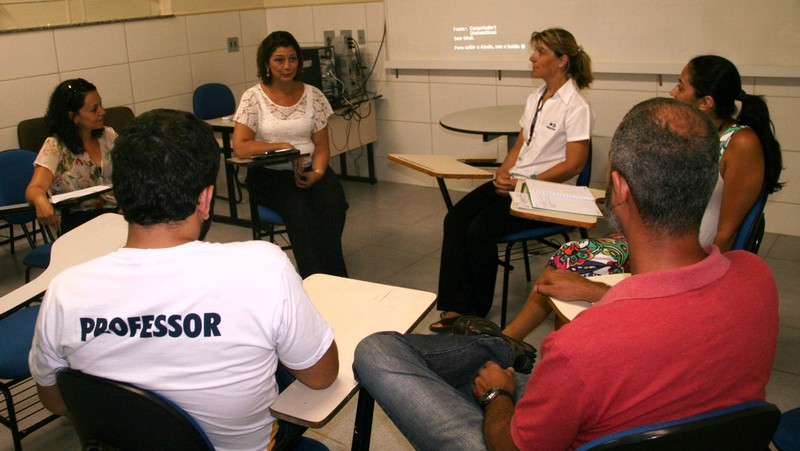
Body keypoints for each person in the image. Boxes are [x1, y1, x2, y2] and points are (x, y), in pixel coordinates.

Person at [353, 98, 778, 450]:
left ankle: (495, 352)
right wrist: (598, 292)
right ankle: (499, 346)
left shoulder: (580, 347)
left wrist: (499, 397)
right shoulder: (756, 279)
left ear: (620, 187)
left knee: (376, 351)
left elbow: (510, 446)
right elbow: (670, 311)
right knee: (485, 363)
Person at [29, 109, 339, 451]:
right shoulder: (263, 268)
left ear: (122, 193)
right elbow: (322, 378)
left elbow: (57, 401)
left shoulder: (65, 291)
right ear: (205, 199)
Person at [499, 54, 785, 341]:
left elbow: (727, 234)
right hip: (661, 241)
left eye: (681, 86)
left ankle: (526, 344)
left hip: (686, 257)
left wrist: (699, 283)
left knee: (570, 265)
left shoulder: (741, 144)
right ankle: (512, 342)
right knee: (567, 260)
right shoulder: (698, 135)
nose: (673, 92)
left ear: (705, 102)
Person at [431, 28, 594, 332]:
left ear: (562, 60)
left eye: (541, 52)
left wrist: (525, 184)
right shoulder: (536, 98)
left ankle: (475, 315)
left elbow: (574, 164)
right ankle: (455, 307)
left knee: (480, 230)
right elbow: (520, 145)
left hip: (548, 194)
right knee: (455, 219)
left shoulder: (577, 106)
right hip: (518, 184)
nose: (533, 58)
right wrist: (504, 172)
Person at [232, 30, 348, 279]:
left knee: (334, 204)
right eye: (279, 60)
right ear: (266, 63)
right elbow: (240, 146)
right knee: (300, 212)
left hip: (309, 169)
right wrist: (281, 146)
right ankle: (315, 281)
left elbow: (322, 146)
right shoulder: (254, 98)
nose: (287, 66)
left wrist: (317, 172)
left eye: (293, 59)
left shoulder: (313, 95)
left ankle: (335, 278)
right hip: (270, 175)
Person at [25, 78, 118, 233]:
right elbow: (34, 188)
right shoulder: (56, 146)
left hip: (116, 214)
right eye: (94, 109)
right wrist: (40, 199)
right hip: (81, 224)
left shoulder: (108, 135)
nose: (102, 111)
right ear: (73, 117)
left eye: (101, 104)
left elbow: (132, 173)